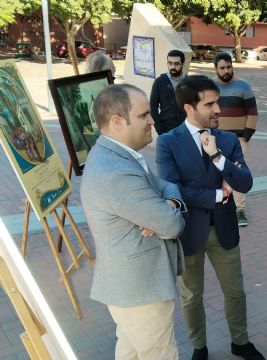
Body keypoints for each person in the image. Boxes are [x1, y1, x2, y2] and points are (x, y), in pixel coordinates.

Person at [155, 75, 264, 360]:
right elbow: (173, 189)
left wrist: (217, 157)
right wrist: (217, 195)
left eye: (218, 102)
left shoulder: (227, 140)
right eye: (210, 104)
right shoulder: (168, 142)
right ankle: (199, 347)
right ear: (189, 108)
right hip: (189, 232)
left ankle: (240, 342)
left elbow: (246, 182)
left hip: (224, 230)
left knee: (236, 292)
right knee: (192, 296)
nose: (219, 109)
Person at [80, 84, 186, 360]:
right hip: (140, 291)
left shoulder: (118, 155)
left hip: (132, 289)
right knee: (160, 354)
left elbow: (165, 185)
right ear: (117, 122)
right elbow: (172, 225)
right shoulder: (116, 171)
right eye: (143, 115)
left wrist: (168, 203)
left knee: (130, 353)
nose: (152, 120)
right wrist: (165, 211)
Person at [212, 52, 258, 227]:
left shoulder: (243, 86)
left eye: (229, 67)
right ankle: (218, 205)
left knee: (237, 173)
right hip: (215, 139)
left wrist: (246, 136)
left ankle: (240, 210)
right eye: (222, 68)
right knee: (215, 173)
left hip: (238, 139)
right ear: (215, 68)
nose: (226, 71)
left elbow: (252, 113)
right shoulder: (210, 86)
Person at [150, 49, 187, 135]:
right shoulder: (159, 82)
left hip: (185, 129)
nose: (173, 67)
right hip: (165, 129)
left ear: (183, 64)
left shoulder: (189, 82)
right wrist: (159, 129)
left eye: (176, 64)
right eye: (170, 63)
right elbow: (153, 107)